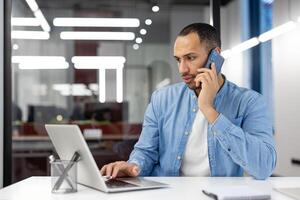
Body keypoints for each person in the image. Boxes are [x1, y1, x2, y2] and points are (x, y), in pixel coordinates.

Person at [100, 23, 276, 180]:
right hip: (170, 194)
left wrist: (209, 110)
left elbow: (264, 167)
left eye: (190, 58)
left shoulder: (249, 102)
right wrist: (132, 166)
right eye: (178, 60)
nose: (182, 69)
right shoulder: (162, 99)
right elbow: (146, 152)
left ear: (215, 56)